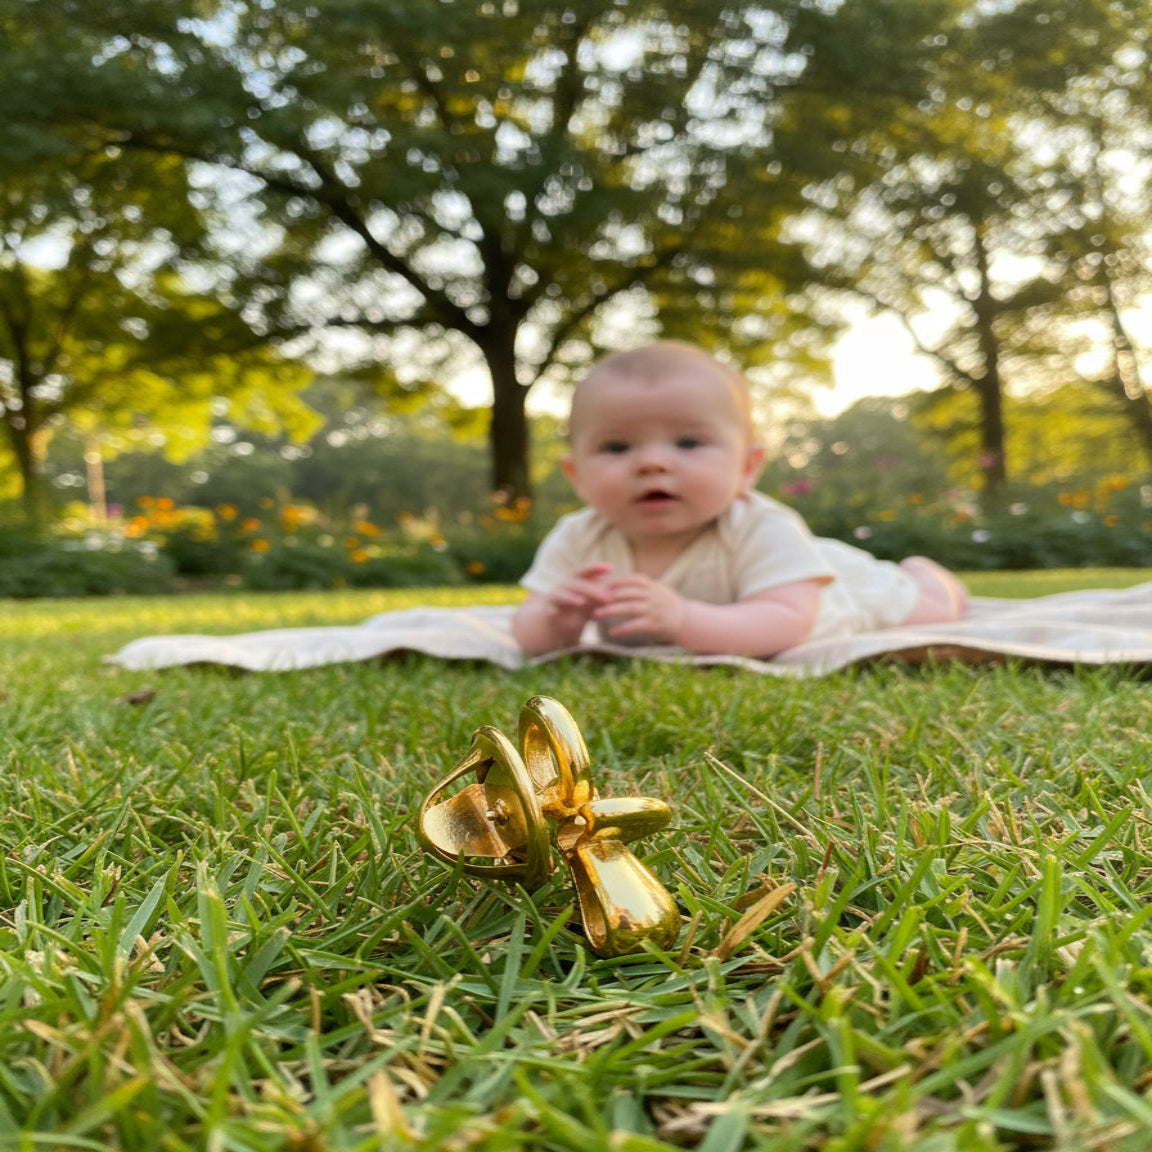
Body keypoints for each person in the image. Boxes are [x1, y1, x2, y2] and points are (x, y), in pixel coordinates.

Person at [512, 340, 967, 658]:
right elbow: (527, 629)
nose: (652, 463)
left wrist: (682, 619)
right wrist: (556, 621)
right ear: (576, 474)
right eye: (616, 447)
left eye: (688, 443)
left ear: (747, 468)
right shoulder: (579, 536)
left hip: (838, 593)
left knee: (934, 613)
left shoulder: (761, 526)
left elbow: (787, 624)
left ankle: (929, 575)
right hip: (790, 571)